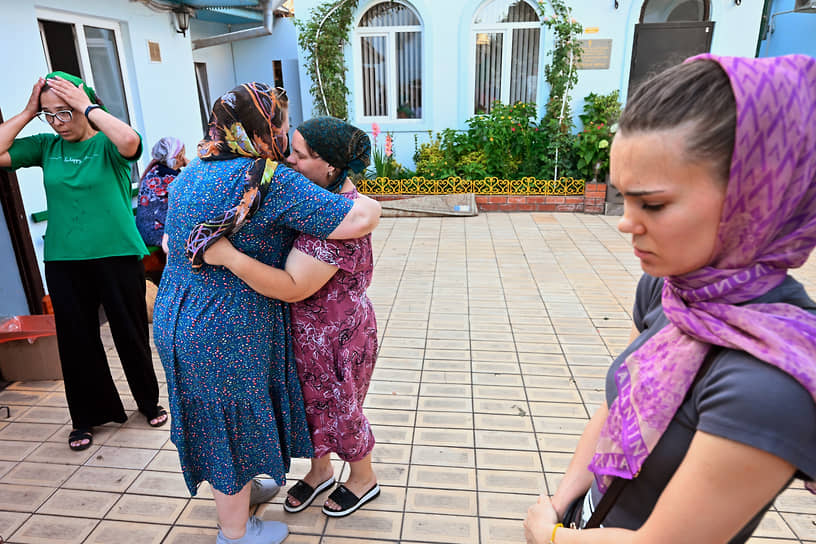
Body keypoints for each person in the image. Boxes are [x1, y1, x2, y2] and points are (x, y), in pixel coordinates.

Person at [524, 55, 816, 543]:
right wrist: (560, 504)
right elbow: (618, 406)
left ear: (756, 197)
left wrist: (549, 538)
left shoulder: (770, 383)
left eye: (652, 204)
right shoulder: (671, 291)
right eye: (624, 199)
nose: (625, 222)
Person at [153, 86, 381, 544]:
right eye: (278, 127)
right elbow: (357, 219)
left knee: (214, 418)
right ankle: (236, 532)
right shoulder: (266, 177)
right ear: (258, 129)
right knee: (230, 422)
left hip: (176, 313)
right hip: (224, 323)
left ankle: (244, 489)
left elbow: (166, 243)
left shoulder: (193, 170)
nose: (282, 140)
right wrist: (373, 203)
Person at [204, 117, 380, 518]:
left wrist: (229, 257)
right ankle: (321, 471)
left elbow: (293, 286)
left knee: (342, 407)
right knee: (312, 406)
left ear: (330, 166)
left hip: (337, 336)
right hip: (309, 333)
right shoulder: (316, 200)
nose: (289, 161)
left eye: (299, 155)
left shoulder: (342, 218)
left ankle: (363, 478)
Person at [0, 72, 167, 452]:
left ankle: (147, 401)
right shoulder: (46, 146)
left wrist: (86, 106)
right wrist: (29, 111)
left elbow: (131, 141)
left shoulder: (108, 145)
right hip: (65, 259)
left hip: (118, 254)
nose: (59, 123)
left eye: (65, 112)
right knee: (77, 343)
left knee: (130, 333)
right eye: (50, 115)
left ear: (83, 106)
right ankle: (86, 417)